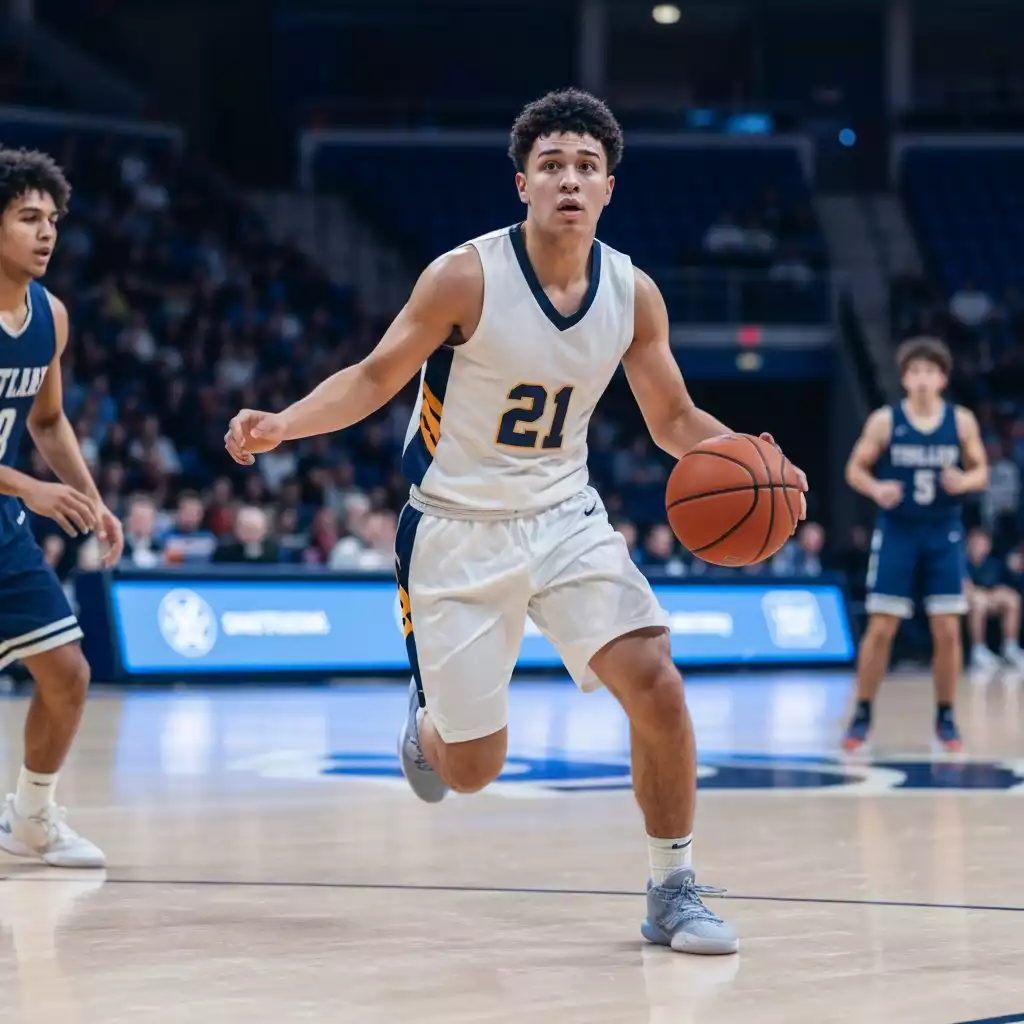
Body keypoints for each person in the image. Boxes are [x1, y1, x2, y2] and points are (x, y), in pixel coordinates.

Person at [226, 89, 807, 955]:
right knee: (471, 768)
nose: (569, 180)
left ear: (610, 186)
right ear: (521, 184)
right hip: (455, 528)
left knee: (658, 683)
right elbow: (376, 375)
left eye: (585, 166)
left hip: (565, 514)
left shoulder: (633, 293)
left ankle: (672, 887)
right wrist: (283, 423)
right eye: (552, 166)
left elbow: (675, 420)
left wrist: (763, 463)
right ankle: (424, 729)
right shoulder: (465, 275)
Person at [0, 148, 124, 866]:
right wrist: (33, 489)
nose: (45, 233)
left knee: (68, 672)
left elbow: (46, 423)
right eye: (26, 218)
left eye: (51, 220)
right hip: (15, 498)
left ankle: (33, 817)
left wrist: (91, 500)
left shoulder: (52, 316)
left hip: (3, 522)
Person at [842, 337, 988, 753]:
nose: (922, 379)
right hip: (898, 530)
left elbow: (981, 471)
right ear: (905, 378)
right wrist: (876, 488)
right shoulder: (885, 421)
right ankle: (863, 711)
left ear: (942, 378)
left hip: (943, 531)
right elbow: (854, 468)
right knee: (881, 627)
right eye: (915, 372)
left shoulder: (960, 422)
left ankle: (946, 715)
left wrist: (964, 480)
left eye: (930, 371)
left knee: (947, 628)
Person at [964, 527, 1024, 676]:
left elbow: (999, 587)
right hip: (968, 604)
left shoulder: (993, 564)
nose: (979, 546)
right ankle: (978, 650)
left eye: (982, 543)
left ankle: (1010, 647)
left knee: (1012, 599)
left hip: (990, 602)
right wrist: (982, 596)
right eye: (975, 542)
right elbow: (966, 589)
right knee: (979, 602)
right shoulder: (961, 562)